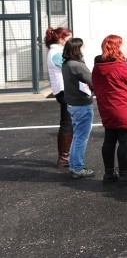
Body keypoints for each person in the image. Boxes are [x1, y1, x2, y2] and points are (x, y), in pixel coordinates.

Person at [91, 34, 127, 184]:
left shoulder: (97, 66)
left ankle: (108, 174)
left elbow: (96, 84)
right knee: (125, 142)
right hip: (123, 106)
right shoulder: (120, 65)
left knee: (109, 140)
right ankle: (124, 175)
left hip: (107, 107)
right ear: (116, 47)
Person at [61, 38, 95, 179]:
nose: (83, 50)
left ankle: (74, 165)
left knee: (77, 137)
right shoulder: (78, 65)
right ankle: (77, 168)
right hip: (82, 104)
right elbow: (93, 81)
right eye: (82, 47)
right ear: (77, 49)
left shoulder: (66, 64)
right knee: (81, 138)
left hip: (73, 104)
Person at [44, 26, 74, 168]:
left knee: (68, 122)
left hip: (63, 90)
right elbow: (71, 67)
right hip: (64, 91)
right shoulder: (56, 53)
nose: (71, 42)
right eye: (69, 39)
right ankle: (64, 157)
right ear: (61, 39)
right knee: (67, 123)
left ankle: (66, 156)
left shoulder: (57, 51)